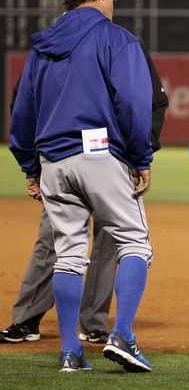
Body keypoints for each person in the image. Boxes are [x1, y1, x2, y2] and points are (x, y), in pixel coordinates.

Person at [9, 0, 156, 372]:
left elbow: (22, 112)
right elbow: (133, 104)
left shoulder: (42, 46)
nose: (114, 2)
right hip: (100, 154)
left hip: (53, 161)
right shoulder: (116, 38)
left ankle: (70, 352)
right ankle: (122, 337)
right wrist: (141, 158)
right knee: (135, 244)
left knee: (69, 256)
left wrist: (30, 166)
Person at [1, 42, 168, 346]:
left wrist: (140, 152)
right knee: (54, 240)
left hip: (110, 158)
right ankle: (28, 318)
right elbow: (23, 99)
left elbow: (153, 103)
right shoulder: (54, 46)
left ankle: (92, 323)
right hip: (66, 155)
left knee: (105, 243)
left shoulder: (119, 44)